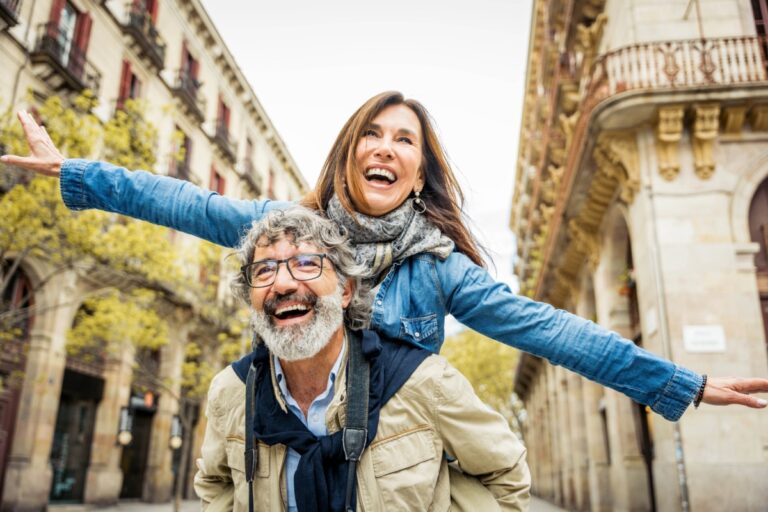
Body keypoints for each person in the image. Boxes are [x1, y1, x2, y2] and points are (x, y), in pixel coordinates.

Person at [3, 93, 768, 421]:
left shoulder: (436, 266)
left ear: (418, 169)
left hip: (393, 472)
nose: (386, 146)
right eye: (374, 132)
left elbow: (548, 329)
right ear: (350, 151)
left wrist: (683, 383)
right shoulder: (287, 226)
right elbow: (183, 201)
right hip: (290, 457)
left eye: (405, 139)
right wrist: (77, 173)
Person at [194, 206, 531, 511]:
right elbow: (216, 487)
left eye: (307, 263)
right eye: (264, 270)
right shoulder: (230, 392)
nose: (282, 283)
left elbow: (507, 475)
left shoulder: (425, 383)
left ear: (346, 291)